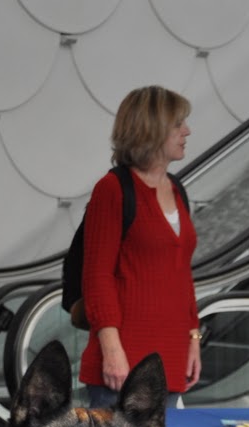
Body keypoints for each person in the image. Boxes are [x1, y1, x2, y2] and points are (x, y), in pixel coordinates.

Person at [79, 85, 201, 408]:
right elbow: (96, 277)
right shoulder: (113, 189)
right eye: (178, 124)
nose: (187, 131)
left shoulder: (177, 189)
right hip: (123, 361)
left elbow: (182, 276)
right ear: (152, 129)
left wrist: (193, 337)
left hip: (170, 357)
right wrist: (112, 350)